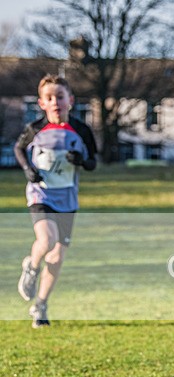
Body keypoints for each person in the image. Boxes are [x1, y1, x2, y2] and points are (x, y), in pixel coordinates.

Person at [14, 74, 98, 328]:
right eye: (49, 98)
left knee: (58, 256)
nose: (55, 102)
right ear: (41, 103)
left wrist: (80, 161)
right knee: (46, 239)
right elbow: (18, 149)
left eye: (59, 97)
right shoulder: (35, 129)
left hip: (67, 199)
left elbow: (93, 162)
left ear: (70, 100)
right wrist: (28, 169)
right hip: (41, 194)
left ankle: (40, 304)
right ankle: (31, 266)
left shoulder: (81, 130)